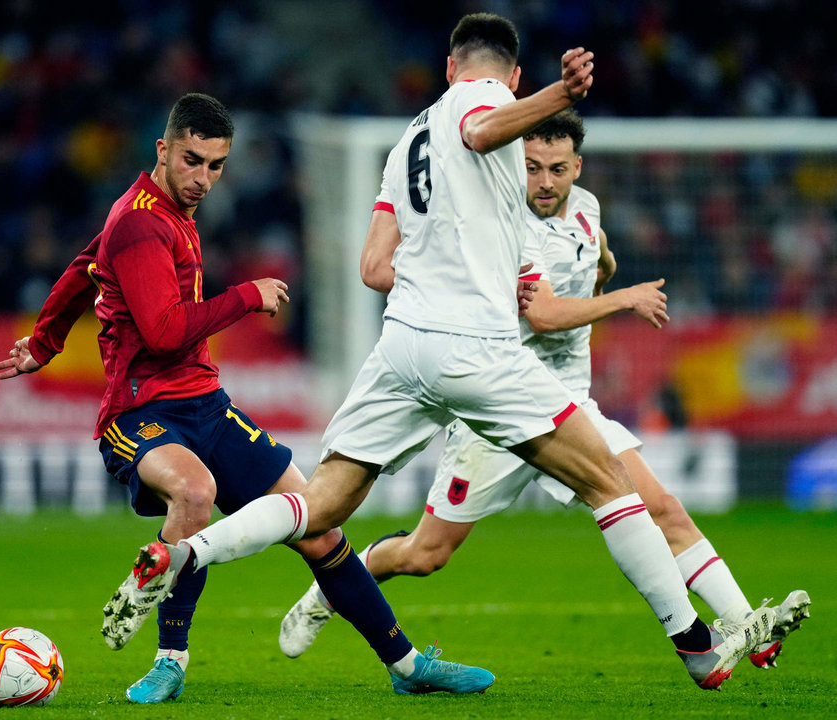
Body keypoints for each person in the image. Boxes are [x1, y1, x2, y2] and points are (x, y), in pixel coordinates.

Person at [104, 14, 774, 691]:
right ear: (506, 77)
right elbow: (482, 129)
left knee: (322, 505)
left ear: (448, 66)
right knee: (610, 484)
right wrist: (559, 93)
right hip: (477, 347)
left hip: (401, 346)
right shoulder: (487, 102)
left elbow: (374, 264)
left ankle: (185, 552)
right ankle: (694, 645)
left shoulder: (405, 141)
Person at [0, 92, 495, 702]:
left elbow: (82, 267)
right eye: (191, 160)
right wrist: (245, 297)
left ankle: (408, 666)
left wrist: (44, 342)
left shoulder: (160, 213)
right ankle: (169, 661)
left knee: (320, 526)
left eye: (216, 164)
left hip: (207, 404)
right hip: (140, 411)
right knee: (194, 490)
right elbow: (162, 332)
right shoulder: (139, 223)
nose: (203, 178)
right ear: (163, 149)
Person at [277, 108, 812, 671]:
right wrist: (621, 298)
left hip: (569, 404)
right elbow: (547, 314)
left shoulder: (586, 209)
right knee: (425, 554)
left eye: (557, 168)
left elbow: (595, 255)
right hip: (498, 409)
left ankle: (750, 626)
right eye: (532, 167)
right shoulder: (503, 224)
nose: (545, 181)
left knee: (662, 507)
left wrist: (604, 267)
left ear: (576, 166)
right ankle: (329, 590)